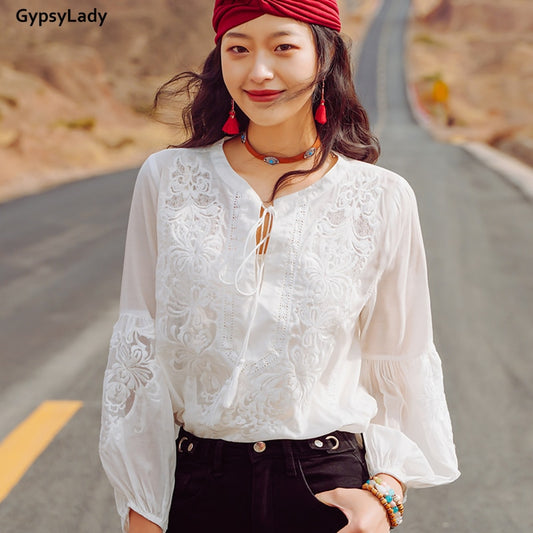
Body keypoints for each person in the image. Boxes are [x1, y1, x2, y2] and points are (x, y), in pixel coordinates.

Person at [99, 1, 460, 532]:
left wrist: (384, 497)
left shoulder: (380, 198)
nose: (259, 71)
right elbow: (141, 353)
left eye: (283, 47)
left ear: (324, 54)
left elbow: (399, 358)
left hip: (328, 488)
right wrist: (142, 510)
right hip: (199, 486)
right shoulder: (169, 179)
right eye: (238, 49)